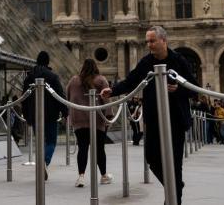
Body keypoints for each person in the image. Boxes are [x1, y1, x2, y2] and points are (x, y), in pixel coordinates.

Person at [101, 26, 197, 204]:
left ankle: (173, 199)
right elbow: (131, 82)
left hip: (175, 120)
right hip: (154, 120)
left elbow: (194, 88)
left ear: (163, 41)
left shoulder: (179, 61)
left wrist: (179, 89)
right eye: (147, 41)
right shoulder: (146, 63)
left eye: (152, 41)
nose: (149, 44)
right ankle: (175, 187)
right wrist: (112, 90)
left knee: (175, 165)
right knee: (152, 159)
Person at [66, 59, 114, 187]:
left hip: (79, 120)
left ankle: (81, 177)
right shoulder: (101, 80)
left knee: (82, 148)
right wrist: (108, 117)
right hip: (97, 120)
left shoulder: (74, 81)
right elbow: (106, 100)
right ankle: (103, 176)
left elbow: (68, 97)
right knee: (99, 149)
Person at [22, 51, 68, 179]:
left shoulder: (29, 77)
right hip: (51, 114)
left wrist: (26, 115)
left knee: (40, 141)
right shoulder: (53, 77)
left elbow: (24, 98)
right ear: (48, 61)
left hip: (34, 114)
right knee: (51, 141)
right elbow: (59, 95)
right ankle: (45, 162)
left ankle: (41, 162)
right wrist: (65, 112)